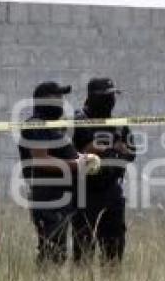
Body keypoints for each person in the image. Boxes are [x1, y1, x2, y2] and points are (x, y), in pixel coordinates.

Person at [18, 81, 99, 266]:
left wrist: (83, 158)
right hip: (47, 197)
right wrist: (76, 164)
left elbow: (61, 153)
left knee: (59, 251)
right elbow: (40, 159)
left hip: (61, 196)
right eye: (57, 97)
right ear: (44, 100)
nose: (62, 101)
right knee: (52, 252)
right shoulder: (36, 125)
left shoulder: (52, 126)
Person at [71, 78, 136, 265]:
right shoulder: (78, 122)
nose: (111, 100)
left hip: (112, 188)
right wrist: (91, 149)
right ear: (93, 97)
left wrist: (121, 150)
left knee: (114, 245)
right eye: (106, 96)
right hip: (85, 190)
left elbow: (132, 153)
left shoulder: (118, 124)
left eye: (113, 96)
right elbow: (67, 152)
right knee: (83, 246)